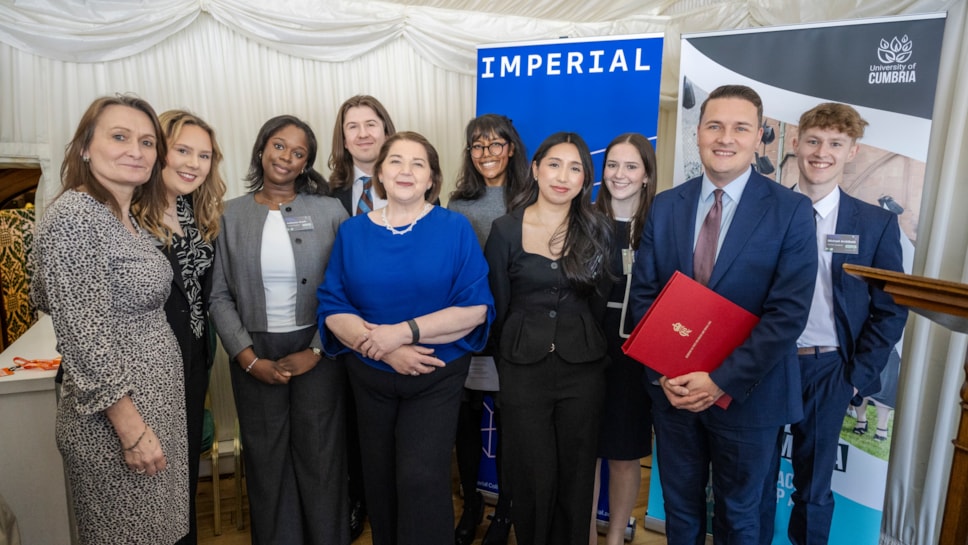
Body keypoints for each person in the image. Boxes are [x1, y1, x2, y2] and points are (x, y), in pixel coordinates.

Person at [628, 84, 817, 545]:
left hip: (749, 397)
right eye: (714, 125)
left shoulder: (791, 211)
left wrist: (719, 381)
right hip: (674, 396)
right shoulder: (666, 205)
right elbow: (646, 296)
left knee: (741, 517)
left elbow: (786, 316)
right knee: (681, 511)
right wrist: (666, 374)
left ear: (760, 137)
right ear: (698, 134)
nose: (725, 137)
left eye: (740, 127)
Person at [317, 131, 494, 545]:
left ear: (432, 178)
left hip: (436, 373)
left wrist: (403, 333)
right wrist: (381, 348)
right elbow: (331, 305)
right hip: (370, 373)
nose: (406, 171)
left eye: (418, 163)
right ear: (380, 173)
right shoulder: (352, 232)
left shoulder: (455, 228)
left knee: (420, 477)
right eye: (396, 161)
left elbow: (475, 308)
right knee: (378, 479)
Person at [31, 94, 190, 544]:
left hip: (154, 411)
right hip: (117, 422)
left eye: (146, 141)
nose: (135, 151)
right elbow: (85, 337)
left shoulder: (124, 217)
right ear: (85, 146)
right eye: (119, 137)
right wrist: (132, 431)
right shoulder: (75, 217)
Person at [209, 115, 349, 544]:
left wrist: (317, 350)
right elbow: (218, 296)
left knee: (321, 456)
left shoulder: (329, 211)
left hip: (318, 347)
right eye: (279, 146)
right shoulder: (228, 215)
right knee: (267, 461)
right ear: (262, 149)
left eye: (299, 152)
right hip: (254, 350)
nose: (287, 157)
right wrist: (248, 359)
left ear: (307, 163)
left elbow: (345, 286)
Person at [783, 102, 907, 545]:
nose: (822, 152)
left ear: (851, 151)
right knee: (749, 480)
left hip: (828, 370)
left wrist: (855, 378)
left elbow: (891, 308)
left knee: (813, 491)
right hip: (764, 365)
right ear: (796, 144)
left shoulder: (874, 224)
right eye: (814, 140)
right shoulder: (766, 212)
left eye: (836, 143)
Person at [484, 132, 613, 545]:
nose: (563, 176)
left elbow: (600, 304)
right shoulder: (505, 229)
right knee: (530, 475)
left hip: (583, 370)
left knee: (577, 477)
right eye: (555, 164)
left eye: (576, 168)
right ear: (536, 169)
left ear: (585, 180)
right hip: (523, 368)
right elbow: (498, 306)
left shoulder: (598, 230)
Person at [132, 109, 226, 545]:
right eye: (183, 150)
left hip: (192, 356)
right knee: (149, 475)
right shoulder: (126, 213)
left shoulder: (196, 211)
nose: (193, 163)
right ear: (157, 151)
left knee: (182, 465)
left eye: (203, 155)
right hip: (145, 367)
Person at [447, 113, 529, 545]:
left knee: (513, 420)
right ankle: (473, 505)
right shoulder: (458, 202)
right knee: (468, 418)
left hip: (516, 326)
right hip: (466, 326)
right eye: (478, 146)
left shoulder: (530, 198)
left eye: (496, 144)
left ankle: (507, 511)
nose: (487, 154)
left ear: (511, 149)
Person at [327, 95, 397, 539]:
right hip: (344, 330)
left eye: (372, 123)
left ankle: (394, 505)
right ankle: (358, 502)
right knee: (351, 427)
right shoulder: (324, 195)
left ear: (386, 131)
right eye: (353, 126)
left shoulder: (412, 185)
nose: (364, 133)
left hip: (400, 334)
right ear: (344, 139)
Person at [589, 133, 656, 545]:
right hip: (585, 351)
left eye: (631, 166)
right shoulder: (583, 220)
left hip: (635, 356)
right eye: (613, 165)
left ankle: (615, 537)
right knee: (583, 455)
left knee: (624, 454)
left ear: (647, 175)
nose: (620, 174)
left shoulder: (661, 225)